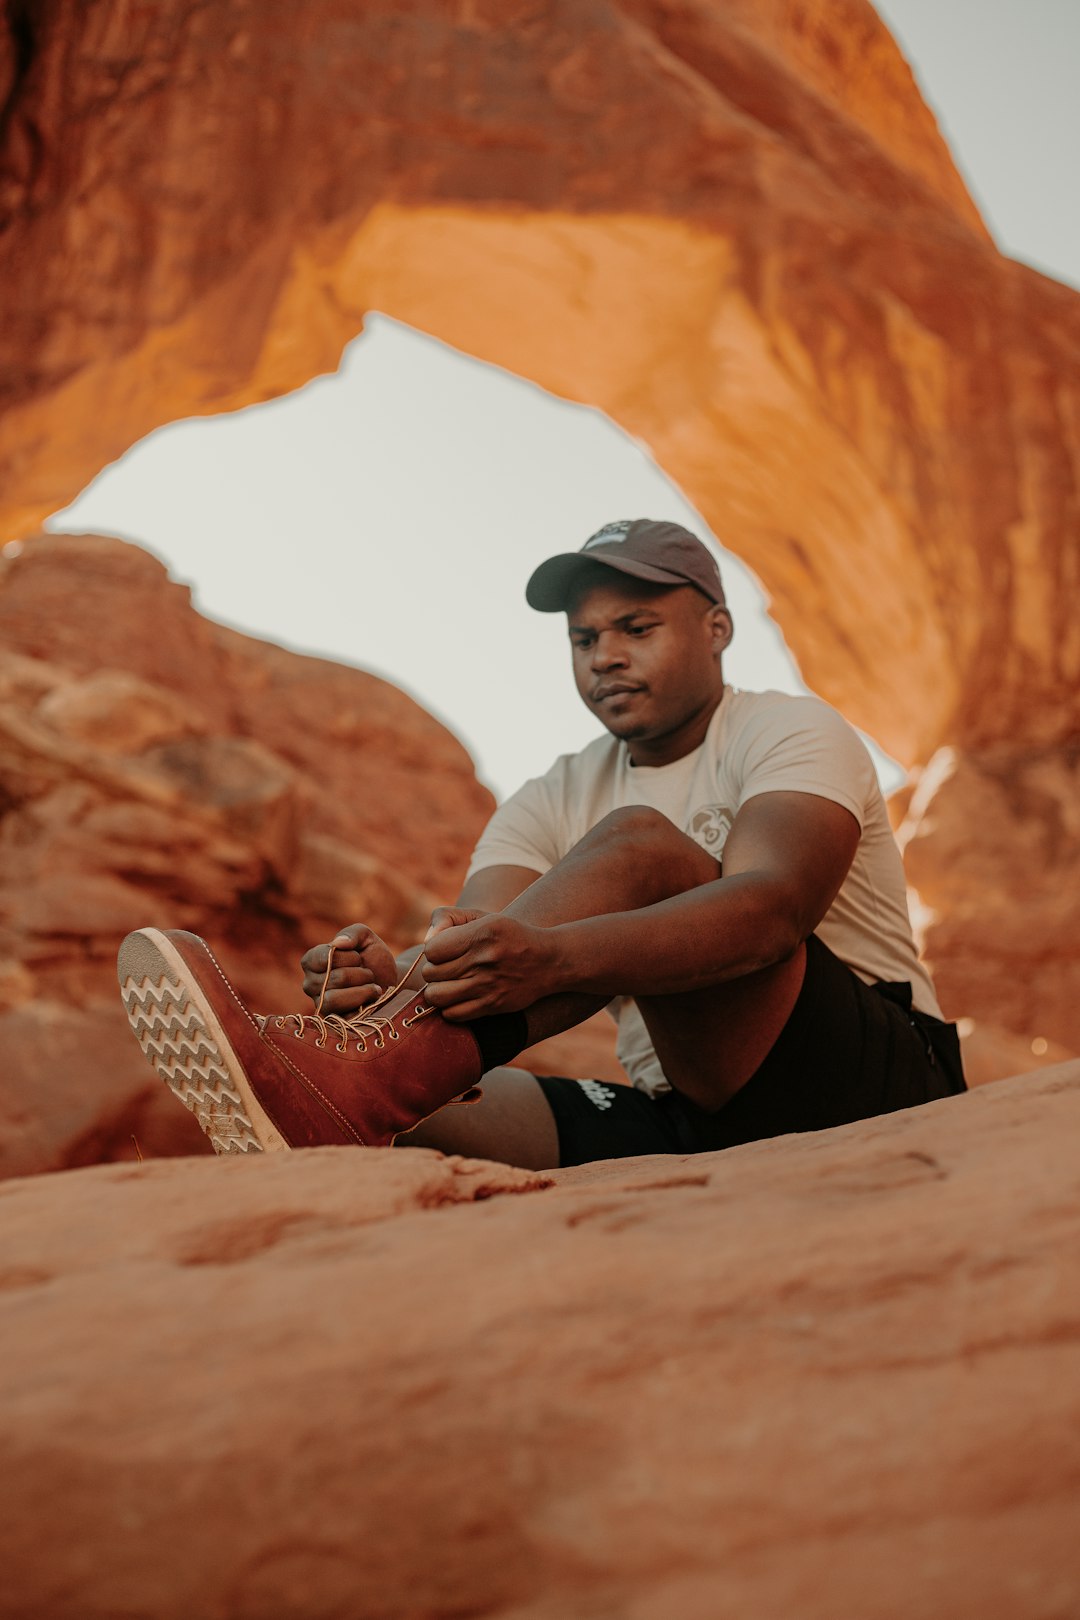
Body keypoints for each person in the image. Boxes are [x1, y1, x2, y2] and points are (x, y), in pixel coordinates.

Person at [117, 519, 965, 1169]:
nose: (606, 658)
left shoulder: (788, 730)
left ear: (715, 629)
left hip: (871, 1079)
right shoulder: (552, 794)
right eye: (584, 639)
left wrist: (550, 962)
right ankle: (331, 1085)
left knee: (646, 850)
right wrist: (399, 979)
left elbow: (772, 912)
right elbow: (479, 946)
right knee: (418, 1111)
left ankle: (356, 1072)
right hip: (690, 1105)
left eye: (637, 628)